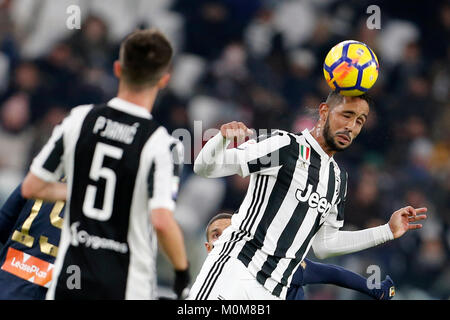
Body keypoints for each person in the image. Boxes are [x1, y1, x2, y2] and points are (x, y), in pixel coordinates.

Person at [189, 91, 427, 300]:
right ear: (324, 111)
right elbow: (205, 167)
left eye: (359, 121)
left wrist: (387, 231)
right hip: (236, 270)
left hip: (275, 291)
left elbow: (324, 245)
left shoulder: (338, 179)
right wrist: (221, 140)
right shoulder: (284, 145)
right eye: (346, 115)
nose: (351, 127)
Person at [20, 29, 190, 300]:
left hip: (69, 282)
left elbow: (32, 186)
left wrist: (82, 189)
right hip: (126, 287)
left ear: (118, 68)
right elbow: (161, 220)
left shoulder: (79, 119)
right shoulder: (163, 144)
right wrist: (182, 273)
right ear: (164, 80)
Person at [204, 213, 395, 300]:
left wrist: (377, 290)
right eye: (217, 235)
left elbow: (332, 274)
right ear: (208, 248)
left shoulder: (271, 262)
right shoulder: (205, 288)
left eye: (231, 232)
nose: (225, 239)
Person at [0, 183, 65, 299]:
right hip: (49, 290)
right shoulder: (100, 195)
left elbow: (3, 224)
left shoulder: (42, 176)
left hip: (7, 283)